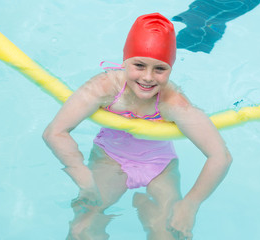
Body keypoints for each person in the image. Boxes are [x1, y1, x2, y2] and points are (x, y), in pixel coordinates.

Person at [43, 12, 232, 240]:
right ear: (125, 62)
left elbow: (220, 157)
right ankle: (145, 207)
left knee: (172, 236)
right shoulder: (104, 87)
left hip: (158, 165)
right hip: (110, 159)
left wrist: (190, 204)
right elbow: (55, 132)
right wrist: (82, 175)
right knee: (81, 230)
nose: (148, 78)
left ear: (171, 69)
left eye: (160, 69)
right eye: (139, 65)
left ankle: (147, 208)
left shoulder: (173, 102)